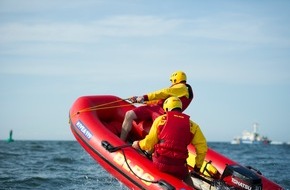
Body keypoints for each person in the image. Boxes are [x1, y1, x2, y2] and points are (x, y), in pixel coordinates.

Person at [132, 96, 208, 186]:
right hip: (179, 167)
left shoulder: (160, 120)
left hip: (160, 163)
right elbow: (202, 148)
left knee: (148, 149)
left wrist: (138, 144)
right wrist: (197, 167)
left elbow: (149, 142)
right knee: (186, 176)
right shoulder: (193, 125)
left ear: (167, 108)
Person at [120, 70, 194, 141]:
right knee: (129, 114)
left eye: (171, 81)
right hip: (154, 108)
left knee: (155, 132)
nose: (171, 83)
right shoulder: (177, 91)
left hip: (162, 113)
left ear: (175, 80)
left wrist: (144, 97)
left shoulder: (182, 88)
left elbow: (164, 92)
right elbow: (159, 100)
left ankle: (148, 150)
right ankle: (120, 141)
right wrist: (143, 101)